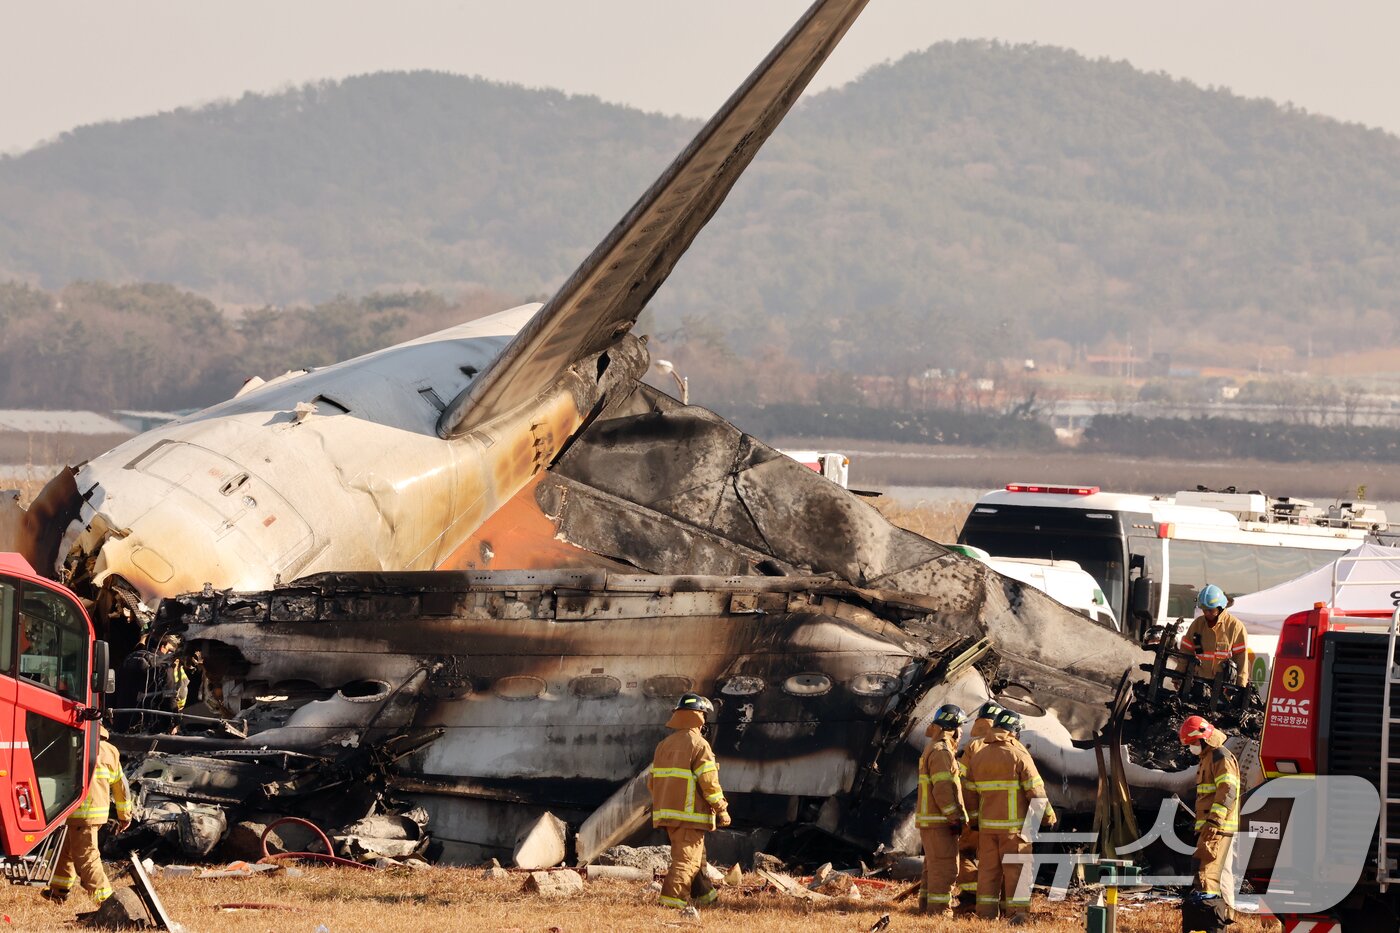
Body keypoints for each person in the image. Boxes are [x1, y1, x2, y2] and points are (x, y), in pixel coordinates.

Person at [964, 707, 1056, 925]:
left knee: (988, 872)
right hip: (1014, 831)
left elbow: (970, 796)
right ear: (1013, 731)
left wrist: (976, 822)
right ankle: (1017, 916)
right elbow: (1036, 792)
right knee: (1018, 872)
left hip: (987, 830)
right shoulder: (1019, 755)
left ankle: (985, 915)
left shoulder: (978, 757)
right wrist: (1049, 818)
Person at [649, 693, 729, 911]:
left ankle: (707, 898)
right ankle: (671, 904)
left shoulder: (663, 745)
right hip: (689, 816)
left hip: (669, 815)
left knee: (697, 860)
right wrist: (721, 808)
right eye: (704, 715)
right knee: (686, 862)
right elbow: (709, 783)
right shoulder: (699, 745)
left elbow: (652, 782)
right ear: (698, 717)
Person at [44, 725, 131, 905]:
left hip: (80, 811)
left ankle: (107, 901)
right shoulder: (111, 751)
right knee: (65, 851)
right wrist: (125, 815)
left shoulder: (74, 745)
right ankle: (58, 890)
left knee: (87, 857)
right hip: (94, 812)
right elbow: (121, 786)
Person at [1180, 715, 1239, 904]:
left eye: (1193, 742)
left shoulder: (1220, 757)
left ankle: (1220, 916)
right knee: (1219, 873)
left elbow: (1228, 790)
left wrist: (1214, 820)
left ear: (1204, 738)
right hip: (1213, 825)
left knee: (1213, 873)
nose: (1192, 747)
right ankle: (1222, 915)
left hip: (1218, 826)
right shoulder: (1208, 757)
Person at [916, 704, 967, 917]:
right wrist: (954, 817)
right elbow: (943, 789)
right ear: (952, 727)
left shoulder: (934, 747)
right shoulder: (941, 752)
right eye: (961, 726)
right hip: (940, 821)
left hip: (932, 821)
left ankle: (926, 906)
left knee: (933, 868)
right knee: (945, 868)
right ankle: (939, 912)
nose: (962, 731)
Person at [956, 700, 1003, 901]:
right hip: (1000, 816)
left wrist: (970, 816)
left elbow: (963, 781)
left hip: (974, 813)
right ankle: (992, 898)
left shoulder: (973, 746)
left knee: (961, 853)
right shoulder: (1008, 747)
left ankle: (970, 893)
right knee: (991, 859)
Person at [1180, 585, 1250, 687]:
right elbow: (1186, 652)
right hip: (1197, 685)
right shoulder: (1197, 624)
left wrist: (1241, 687)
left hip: (1223, 688)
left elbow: (1241, 660)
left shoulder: (1235, 627)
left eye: (1210, 610)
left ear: (1220, 607)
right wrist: (1178, 676)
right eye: (1204, 610)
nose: (1207, 613)